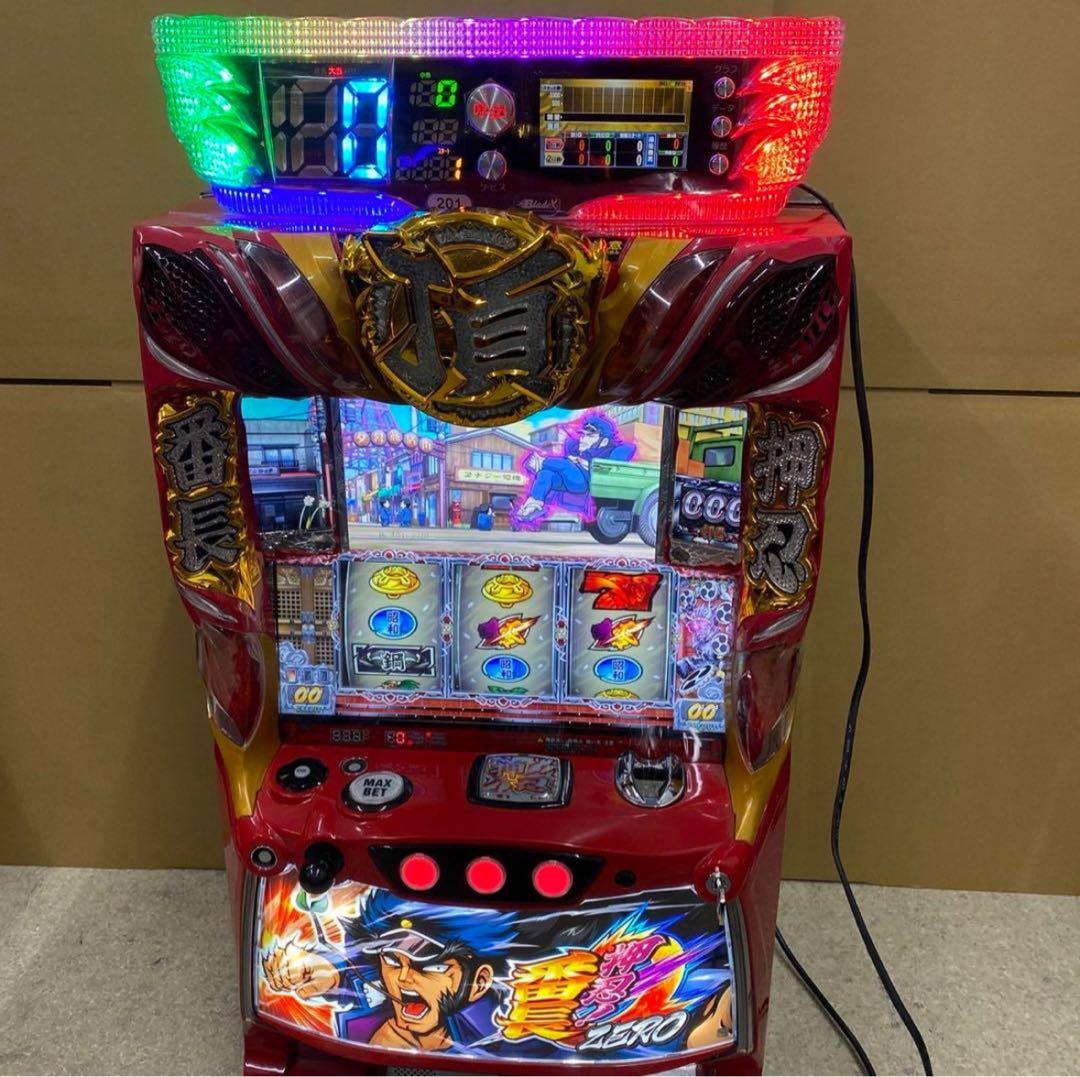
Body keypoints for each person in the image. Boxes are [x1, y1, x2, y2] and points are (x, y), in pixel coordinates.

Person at [262, 889, 515, 1052]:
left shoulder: (510, 1031)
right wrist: (330, 972)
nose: (404, 978)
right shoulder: (374, 1017)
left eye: (431, 966)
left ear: (479, 981)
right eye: (392, 960)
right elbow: (366, 980)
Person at [515, 415, 633, 522]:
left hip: (583, 483)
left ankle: (540, 463)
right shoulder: (577, 450)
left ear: (604, 441)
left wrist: (582, 462)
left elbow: (605, 470)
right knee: (546, 474)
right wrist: (575, 459)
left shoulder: (606, 454)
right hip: (568, 478)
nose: (582, 439)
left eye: (589, 436)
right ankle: (534, 504)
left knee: (566, 464)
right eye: (582, 435)